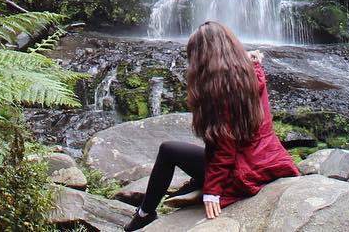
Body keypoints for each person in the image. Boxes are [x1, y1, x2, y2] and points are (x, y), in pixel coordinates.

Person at [124, 21, 299, 230]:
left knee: (168, 150)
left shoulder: (220, 91)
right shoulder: (252, 73)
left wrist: (213, 191)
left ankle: (144, 215)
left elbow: (226, 149)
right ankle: (189, 189)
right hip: (270, 161)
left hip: (243, 171)